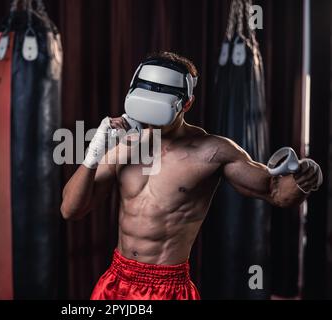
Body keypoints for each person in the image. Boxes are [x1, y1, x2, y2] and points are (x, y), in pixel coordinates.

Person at [60, 52, 323, 300]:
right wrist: (92, 156)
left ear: (187, 103)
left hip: (168, 286)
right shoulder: (123, 144)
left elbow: (276, 192)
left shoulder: (213, 151)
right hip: (117, 279)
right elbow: (71, 210)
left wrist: (303, 180)